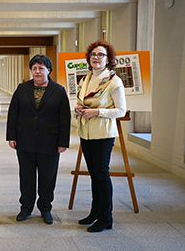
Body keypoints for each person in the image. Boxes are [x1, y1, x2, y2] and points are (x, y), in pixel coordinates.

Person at [6, 54, 71, 225]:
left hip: (49, 142)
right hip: (24, 140)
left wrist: (63, 142)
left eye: (41, 68)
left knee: (47, 177)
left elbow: (65, 118)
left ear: (48, 70)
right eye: (34, 68)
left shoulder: (58, 90)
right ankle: (26, 208)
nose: (37, 71)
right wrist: (11, 136)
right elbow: (13, 114)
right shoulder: (22, 88)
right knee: (26, 177)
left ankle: (45, 208)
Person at [74, 40, 126, 232]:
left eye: (101, 55)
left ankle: (106, 218)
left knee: (102, 176)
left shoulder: (114, 80)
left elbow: (121, 111)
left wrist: (98, 112)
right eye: (93, 54)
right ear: (88, 58)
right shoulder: (85, 78)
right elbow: (82, 101)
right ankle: (95, 212)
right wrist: (78, 109)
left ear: (108, 59)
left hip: (103, 133)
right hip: (86, 133)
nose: (96, 57)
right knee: (94, 175)